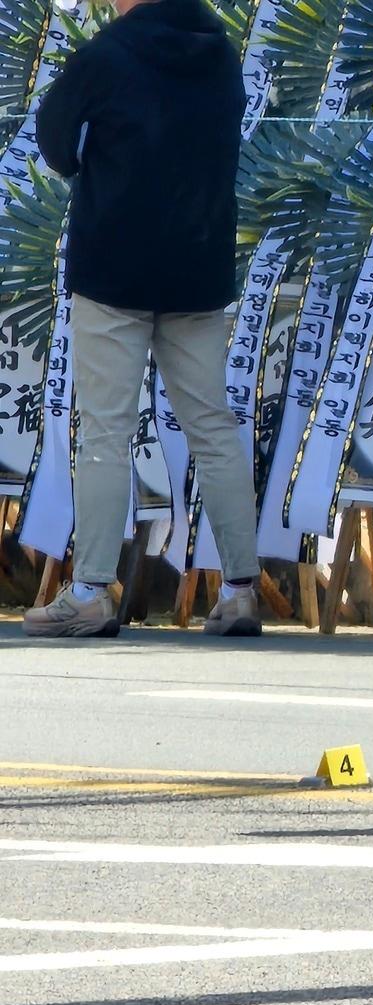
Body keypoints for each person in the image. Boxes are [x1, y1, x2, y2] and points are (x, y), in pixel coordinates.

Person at [28, 0, 261, 638]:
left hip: (114, 267)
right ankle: (240, 590)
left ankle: (90, 591)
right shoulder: (222, 54)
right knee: (212, 425)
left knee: (106, 429)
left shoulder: (104, 55)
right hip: (199, 265)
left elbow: (55, 144)